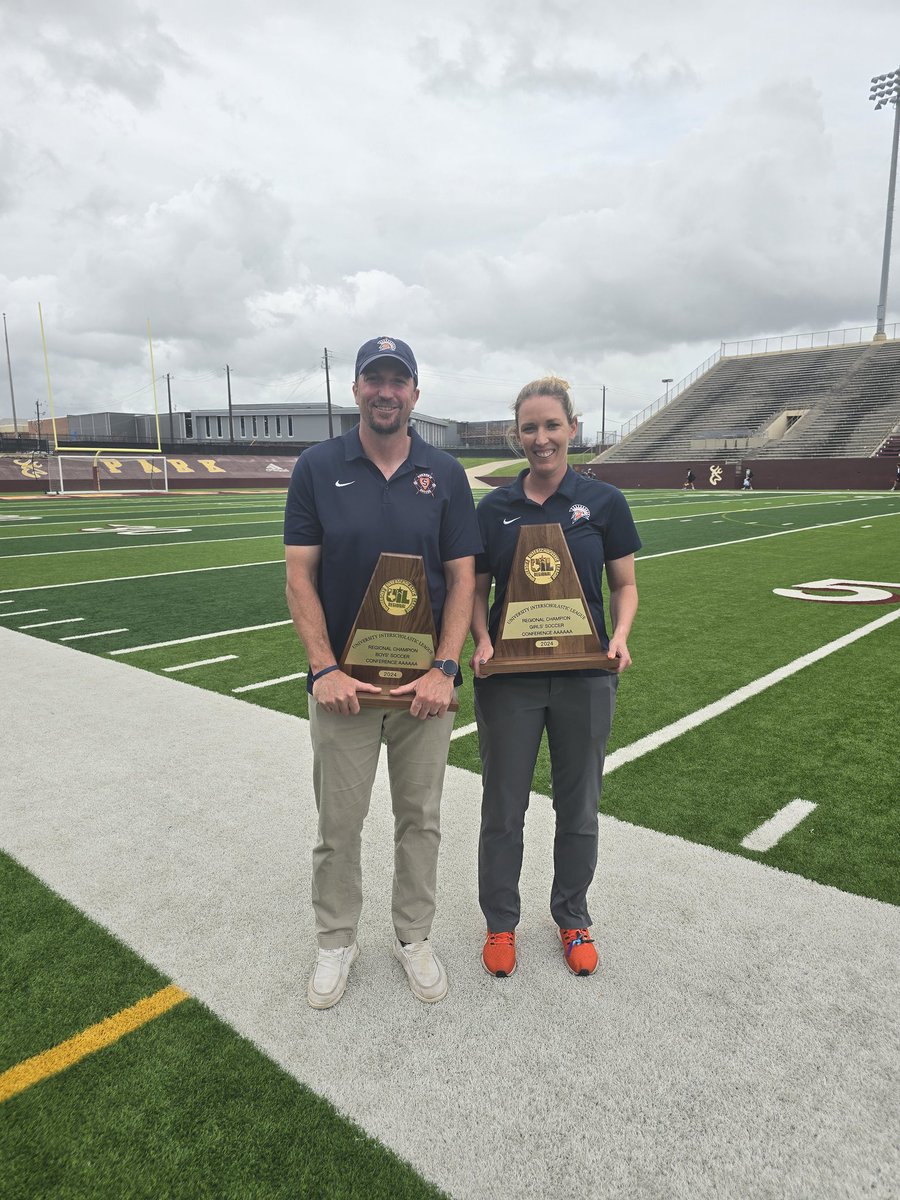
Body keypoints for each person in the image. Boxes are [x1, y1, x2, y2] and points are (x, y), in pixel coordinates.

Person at [284, 336, 481, 1009]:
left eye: (399, 380)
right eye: (375, 379)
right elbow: (298, 576)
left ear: (416, 394)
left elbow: (461, 580)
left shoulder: (445, 473)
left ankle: (414, 937)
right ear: (357, 389)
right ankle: (336, 940)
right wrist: (323, 669)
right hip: (347, 691)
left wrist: (447, 668)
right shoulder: (316, 466)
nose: (386, 391)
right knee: (338, 823)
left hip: (424, 689)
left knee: (419, 819)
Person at [469, 377, 640, 979]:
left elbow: (624, 585)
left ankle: (572, 915)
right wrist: (483, 638)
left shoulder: (604, 501)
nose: (540, 438)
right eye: (529, 428)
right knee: (503, 806)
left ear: (572, 429)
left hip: (584, 677)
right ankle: (500, 924)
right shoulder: (493, 509)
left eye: (551, 425)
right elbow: (476, 587)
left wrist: (618, 637)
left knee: (580, 806)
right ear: (516, 435)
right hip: (509, 681)